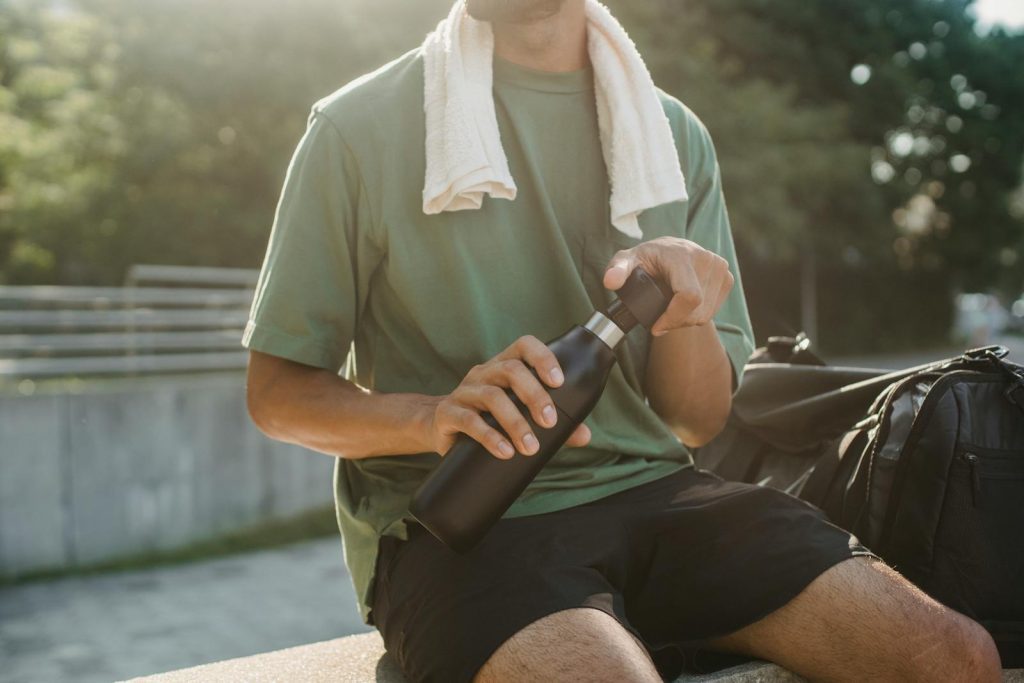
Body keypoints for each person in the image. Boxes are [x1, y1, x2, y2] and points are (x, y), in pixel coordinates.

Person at [242, 1, 1002, 681]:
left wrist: (688, 315)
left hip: (660, 494)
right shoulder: (356, 129)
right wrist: (434, 416)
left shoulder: (670, 135)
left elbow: (696, 422)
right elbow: (277, 394)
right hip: (457, 526)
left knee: (955, 656)